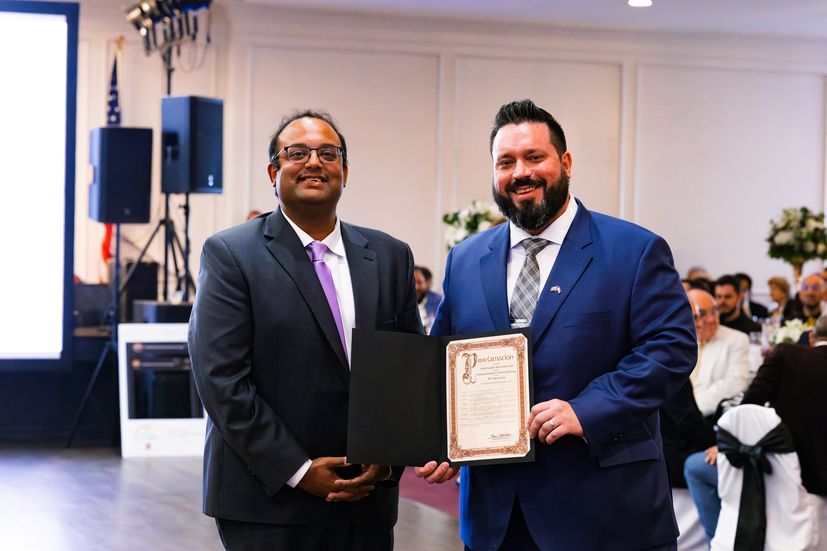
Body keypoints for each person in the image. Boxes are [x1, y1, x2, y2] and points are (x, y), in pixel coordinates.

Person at [415, 99, 696, 550]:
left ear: (564, 162)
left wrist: (586, 409)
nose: (520, 172)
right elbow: (442, 361)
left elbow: (671, 350)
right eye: (505, 162)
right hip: (496, 519)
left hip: (605, 513)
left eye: (534, 157)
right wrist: (437, 440)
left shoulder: (634, 250)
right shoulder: (464, 259)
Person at [188, 110, 421, 550]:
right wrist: (298, 469)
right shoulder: (230, 254)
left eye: (328, 154)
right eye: (297, 153)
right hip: (268, 502)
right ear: (273, 172)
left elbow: (407, 373)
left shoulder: (391, 256)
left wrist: (387, 463)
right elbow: (220, 381)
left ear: (345, 172)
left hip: (367, 501)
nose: (314, 162)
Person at [684, 313, 827, 541]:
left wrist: (727, 444)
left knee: (694, 467)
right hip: (819, 479)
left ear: (810, 337)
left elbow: (748, 409)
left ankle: (720, 542)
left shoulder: (787, 354)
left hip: (778, 472)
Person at [686, 288, 751, 422]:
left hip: (709, 417)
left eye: (714, 311)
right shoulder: (679, 342)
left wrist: (693, 410)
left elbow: (735, 382)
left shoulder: (737, 339)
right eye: (700, 314)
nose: (711, 319)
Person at [413, 265, 441, 333]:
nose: (416, 287)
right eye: (413, 282)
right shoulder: (403, 302)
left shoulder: (437, 301)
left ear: (427, 282)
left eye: (419, 282)